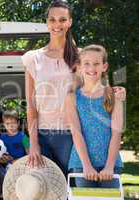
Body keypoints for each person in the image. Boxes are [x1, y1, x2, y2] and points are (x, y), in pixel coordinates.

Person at [22, 0, 125, 177]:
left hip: (73, 135)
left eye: (62, 20)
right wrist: (33, 143)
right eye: (52, 20)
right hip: (42, 134)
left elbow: (96, 87)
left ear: (69, 22)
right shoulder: (33, 58)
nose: (57, 25)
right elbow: (31, 105)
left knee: (69, 191)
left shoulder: (81, 56)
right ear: (47, 23)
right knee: (44, 190)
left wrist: (116, 91)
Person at [66, 44, 123, 187]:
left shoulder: (114, 95)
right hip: (81, 164)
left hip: (110, 164)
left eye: (96, 63)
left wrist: (109, 166)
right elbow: (76, 132)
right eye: (87, 64)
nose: (91, 68)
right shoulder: (72, 97)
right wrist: (87, 165)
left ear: (104, 66)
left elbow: (116, 133)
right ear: (79, 67)